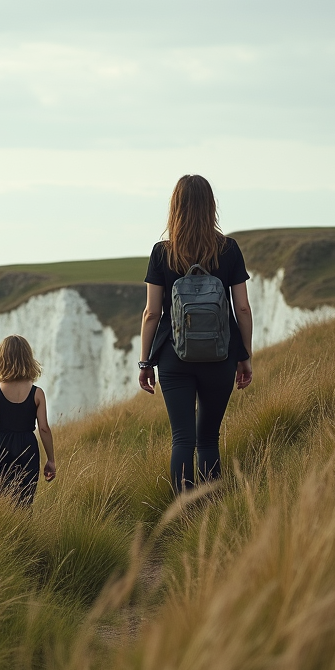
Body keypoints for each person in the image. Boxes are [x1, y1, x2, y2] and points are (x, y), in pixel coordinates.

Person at [138, 175, 254, 492]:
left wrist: (145, 363)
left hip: (174, 358)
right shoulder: (228, 250)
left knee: (182, 439)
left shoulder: (162, 252)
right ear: (211, 207)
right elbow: (242, 309)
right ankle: (209, 511)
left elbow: (152, 312)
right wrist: (244, 357)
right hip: (221, 356)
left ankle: (183, 515)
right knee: (208, 441)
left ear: (175, 207)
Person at [0, 335, 56, 505]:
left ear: (1, 359)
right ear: (28, 359)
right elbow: (44, 429)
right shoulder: (37, 393)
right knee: (24, 499)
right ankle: (23, 530)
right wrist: (51, 459)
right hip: (28, 446)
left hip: (1, 447)